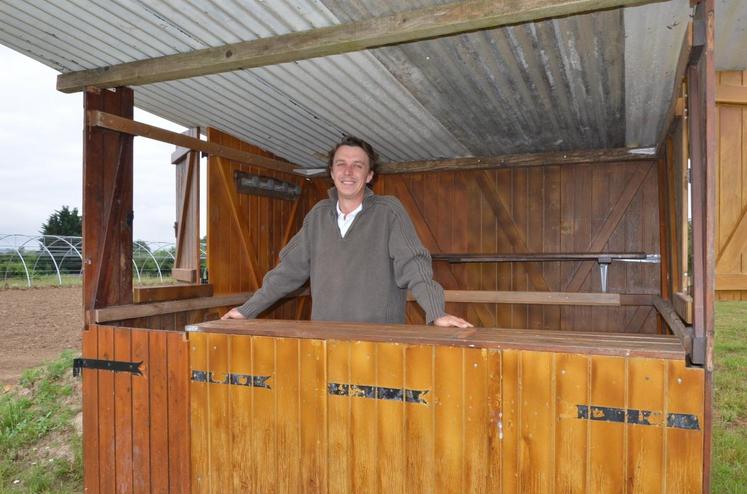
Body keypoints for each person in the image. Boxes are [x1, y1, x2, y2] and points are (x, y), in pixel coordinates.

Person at [222, 136, 472, 328]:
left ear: (369, 175)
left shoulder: (389, 212)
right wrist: (247, 310)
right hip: (325, 340)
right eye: (341, 164)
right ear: (332, 173)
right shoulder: (318, 216)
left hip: (377, 343)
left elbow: (415, 265)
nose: (348, 172)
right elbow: (287, 271)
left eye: (357, 165)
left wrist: (436, 312)